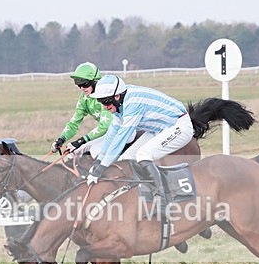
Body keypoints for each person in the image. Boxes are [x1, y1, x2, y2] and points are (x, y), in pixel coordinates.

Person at [86, 74, 194, 205]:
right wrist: (98, 161)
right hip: (159, 129)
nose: (104, 106)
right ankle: (138, 197)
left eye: (106, 102)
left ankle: (162, 201)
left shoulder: (133, 104)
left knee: (143, 155)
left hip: (179, 126)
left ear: (117, 96)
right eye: (101, 102)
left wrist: (101, 168)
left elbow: (121, 138)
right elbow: (112, 134)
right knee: (125, 159)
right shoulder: (120, 104)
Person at [50, 62, 113, 157]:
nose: (82, 88)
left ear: (95, 81)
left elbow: (104, 126)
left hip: (120, 131)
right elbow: (74, 123)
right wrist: (62, 138)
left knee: (94, 151)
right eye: (78, 84)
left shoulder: (105, 95)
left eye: (84, 84)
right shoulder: (84, 98)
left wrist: (81, 141)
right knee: (72, 155)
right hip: (107, 134)